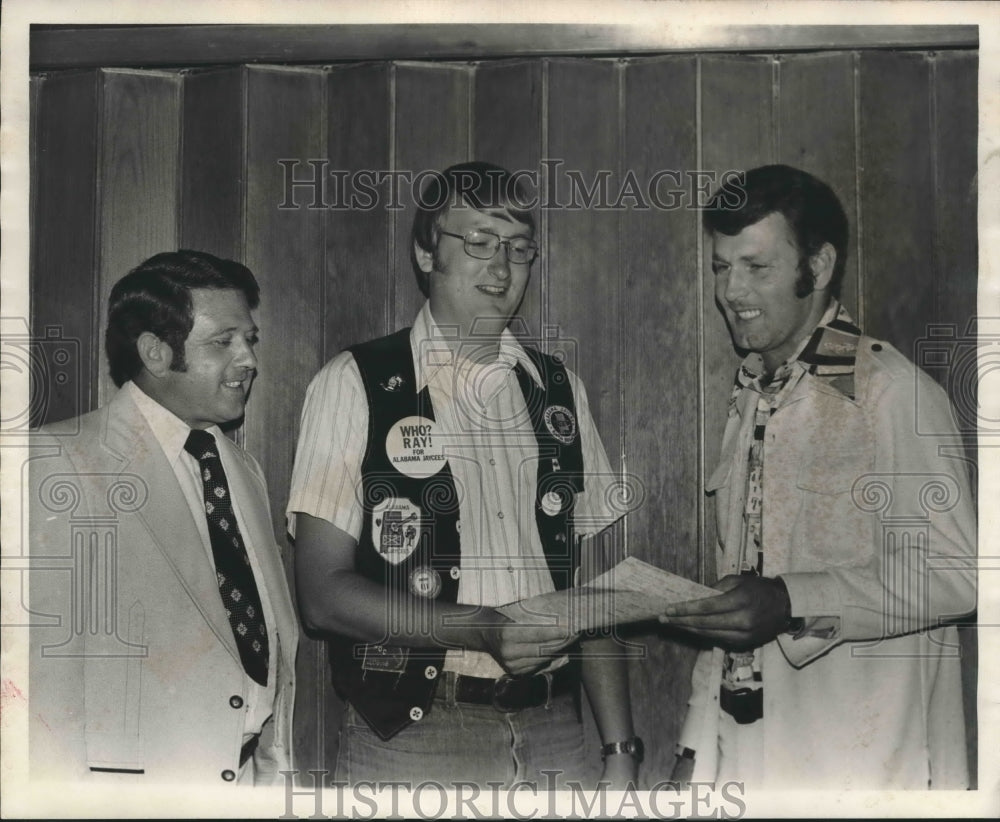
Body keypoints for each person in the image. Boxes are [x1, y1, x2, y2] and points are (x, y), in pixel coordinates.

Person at [288, 161, 639, 788]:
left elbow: (595, 589)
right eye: (477, 242)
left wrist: (620, 748)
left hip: (559, 731)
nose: (501, 268)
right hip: (412, 736)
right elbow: (321, 595)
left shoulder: (560, 390)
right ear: (427, 254)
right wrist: (480, 627)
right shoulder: (356, 382)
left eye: (519, 248)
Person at [661, 165, 976, 789]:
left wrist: (793, 599)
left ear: (819, 266)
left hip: (870, 762)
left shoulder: (892, 394)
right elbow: (738, 590)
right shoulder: (752, 394)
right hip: (749, 757)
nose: (731, 290)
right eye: (723, 268)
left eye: (757, 266)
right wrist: (695, 749)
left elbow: (961, 574)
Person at [28, 250, 298, 785]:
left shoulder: (242, 468)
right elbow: (37, 687)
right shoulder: (54, 462)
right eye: (223, 342)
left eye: (250, 339)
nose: (248, 359)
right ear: (155, 352)